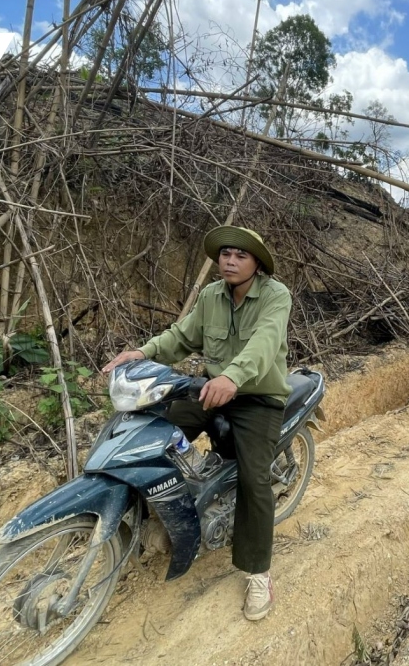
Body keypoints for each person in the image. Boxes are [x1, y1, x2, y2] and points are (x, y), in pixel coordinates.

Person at [101, 226, 289, 622]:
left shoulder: (276, 296)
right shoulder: (210, 296)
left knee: (255, 479)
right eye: (225, 254)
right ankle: (159, 517)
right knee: (152, 433)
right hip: (210, 390)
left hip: (257, 397)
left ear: (256, 263)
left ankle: (259, 572)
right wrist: (142, 351)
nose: (230, 261)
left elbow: (264, 343)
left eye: (240, 255)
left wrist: (233, 377)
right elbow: (181, 337)